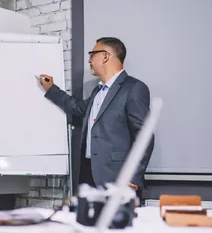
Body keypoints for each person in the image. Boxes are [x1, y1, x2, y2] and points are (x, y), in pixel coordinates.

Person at [39, 37, 153, 196]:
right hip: (89, 176)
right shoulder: (97, 92)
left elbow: (144, 136)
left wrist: (133, 178)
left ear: (106, 56)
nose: (89, 60)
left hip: (118, 180)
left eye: (92, 55)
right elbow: (77, 108)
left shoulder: (134, 88)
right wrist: (51, 89)